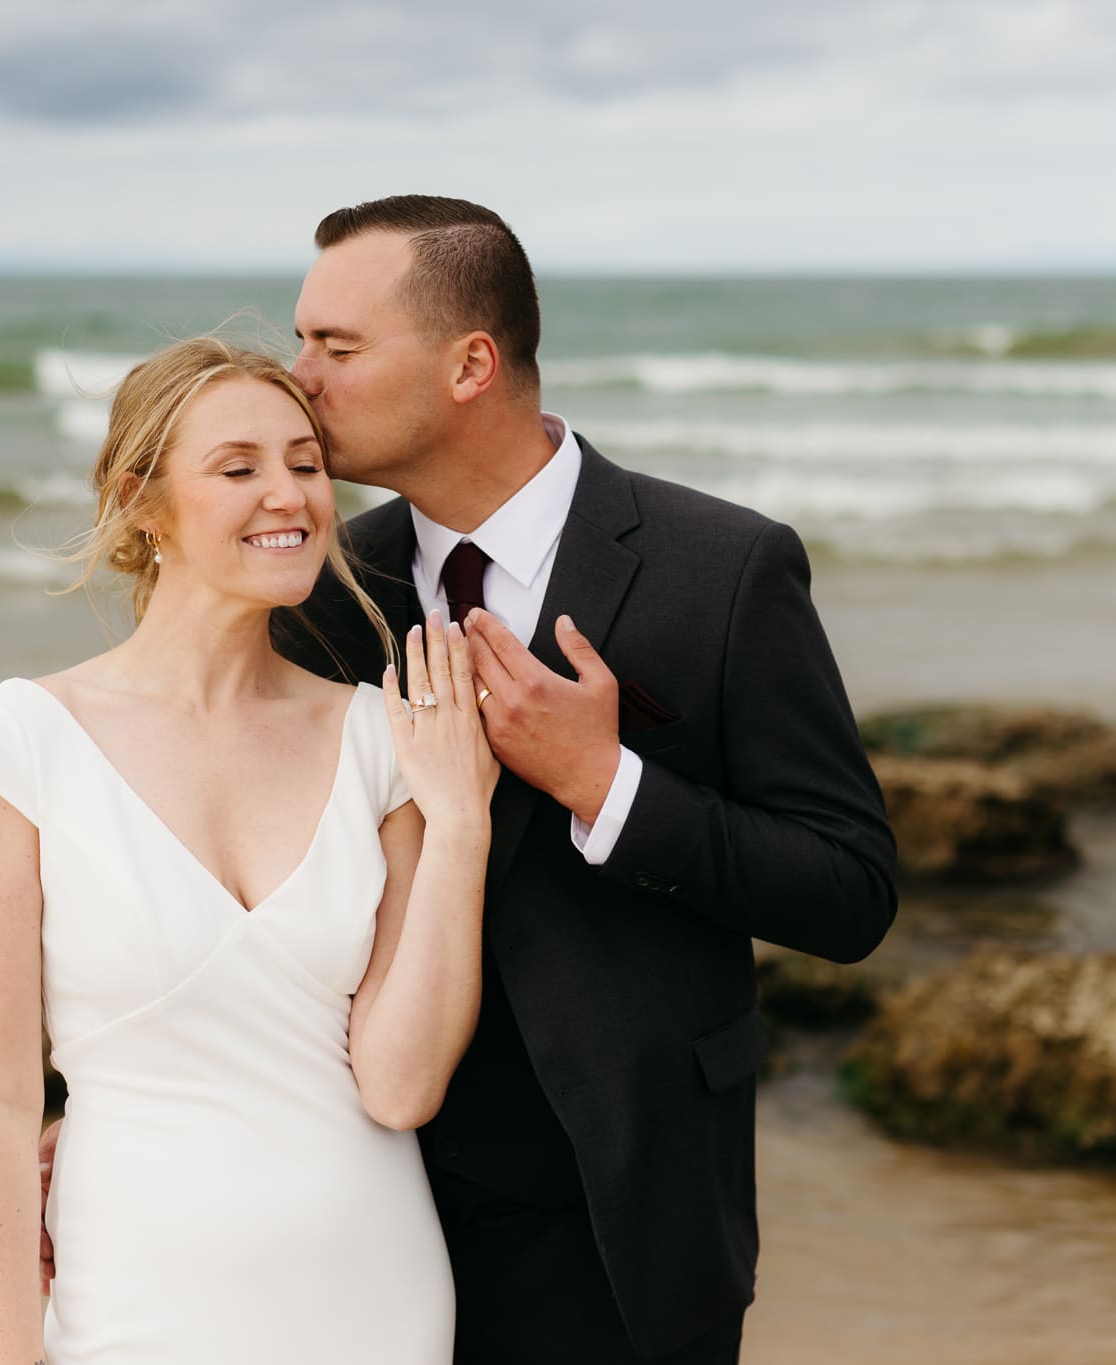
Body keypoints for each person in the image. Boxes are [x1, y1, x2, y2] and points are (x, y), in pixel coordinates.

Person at [265, 196, 899, 1363]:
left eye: (335, 348)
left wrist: (609, 783)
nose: (297, 376)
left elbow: (848, 889)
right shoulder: (324, 595)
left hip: (624, 1205)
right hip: (365, 1195)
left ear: (469, 363)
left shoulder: (718, 569)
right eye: (302, 342)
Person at [0, 338, 500, 1364]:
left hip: (374, 1299)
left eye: (305, 463)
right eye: (237, 468)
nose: (286, 495)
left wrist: (459, 826)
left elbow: (400, 1086)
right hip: (132, 1306)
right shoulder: (17, 747)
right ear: (143, 502)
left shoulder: (384, 739)